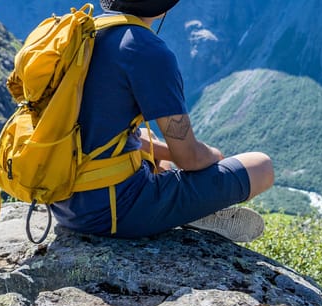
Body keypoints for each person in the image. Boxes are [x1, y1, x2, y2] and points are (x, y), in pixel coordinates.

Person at [49, 0, 274, 242]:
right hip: (112, 213)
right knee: (261, 167)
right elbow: (190, 158)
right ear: (163, 8)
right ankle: (183, 212)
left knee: (148, 138)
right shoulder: (146, 49)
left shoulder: (82, 33)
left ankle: (179, 209)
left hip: (62, 202)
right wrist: (214, 157)